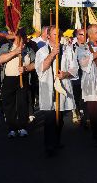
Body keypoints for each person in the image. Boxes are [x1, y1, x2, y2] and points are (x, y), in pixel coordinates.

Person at [35, 26, 78, 156]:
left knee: (59, 118)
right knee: (49, 118)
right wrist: (53, 54)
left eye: (59, 34)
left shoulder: (67, 50)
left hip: (62, 87)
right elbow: (41, 68)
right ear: (48, 36)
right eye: (54, 34)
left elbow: (74, 69)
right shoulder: (42, 51)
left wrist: (65, 74)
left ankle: (57, 140)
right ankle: (49, 145)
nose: (57, 37)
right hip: (48, 88)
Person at [0, 29, 36, 138]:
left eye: (25, 37)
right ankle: (12, 128)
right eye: (22, 37)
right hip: (9, 79)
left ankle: (22, 127)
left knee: (22, 103)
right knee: (9, 104)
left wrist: (26, 68)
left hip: (22, 79)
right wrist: (15, 52)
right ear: (17, 37)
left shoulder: (28, 49)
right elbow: (0, 60)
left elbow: (35, 63)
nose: (24, 39)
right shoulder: (6, 47)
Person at [71, 28, 86, 125]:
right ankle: (75, 111)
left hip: (86, 75)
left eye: (85, 35)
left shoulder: (89, 47)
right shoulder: (72, 47)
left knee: (84, 95)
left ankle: (83, 111)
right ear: (77, 36)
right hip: (76, 74)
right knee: (76, 94)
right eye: (81, 34)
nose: (84, 37)